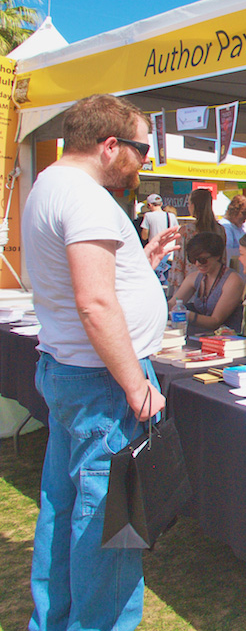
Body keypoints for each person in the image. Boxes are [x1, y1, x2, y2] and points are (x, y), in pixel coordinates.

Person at [22, 94, 177, 631]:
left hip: (76, 372)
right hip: (103, 381)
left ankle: (57, 620)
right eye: (140, 149)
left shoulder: (48, 184)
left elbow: (85, 287)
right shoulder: (86, 198)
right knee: (109, 524)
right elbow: (93, 301)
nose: (144, 161)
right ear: (111, 146)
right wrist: (135, 383)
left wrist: (143, 262)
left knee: (65, 510)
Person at [168, 232, 244, 333]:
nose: (198, 264)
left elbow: (215, 321)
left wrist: (187, 315)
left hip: (227, 337)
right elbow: (173, 303)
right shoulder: (195, 277)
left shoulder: (232, 280)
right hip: (203, 334)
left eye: (202, 260)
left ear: (217, 256)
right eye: (193, 260)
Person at [167, 187, 226, 295]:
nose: (188, 206)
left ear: (194, 205)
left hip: (190, 287)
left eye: (189, 203)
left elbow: (178, 263)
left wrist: (176, 290)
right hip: (215, 284)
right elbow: (223, 259)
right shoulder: (220, 230)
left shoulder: (186, 231)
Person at [140, 193, 177, 284]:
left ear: (149, 205)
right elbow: (176, 232)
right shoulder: (171, 216)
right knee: (167, 277)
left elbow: (144, 236)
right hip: (169, 251)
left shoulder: (148, 216)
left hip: (155, 251)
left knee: (156, 278)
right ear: (161, 204)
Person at [220, 194, 246, 273]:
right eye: (243, 214)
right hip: (233, 267)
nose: (245, 218)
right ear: (234, 211)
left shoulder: (244, 224)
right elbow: (228, 250)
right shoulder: (225, 226)